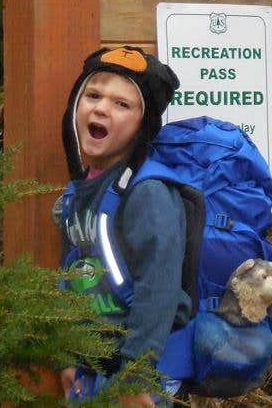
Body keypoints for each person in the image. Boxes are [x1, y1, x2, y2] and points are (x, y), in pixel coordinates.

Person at [54, 46, 190, 405]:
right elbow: (69, 275)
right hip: (90, 372)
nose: (100, 108)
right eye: (93, 95)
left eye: (121, 104)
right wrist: (68, 356)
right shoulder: (79, 190)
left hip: (137, 377)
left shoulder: (148, 193)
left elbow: (158, 292)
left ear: (141, 126)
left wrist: (135, 380)